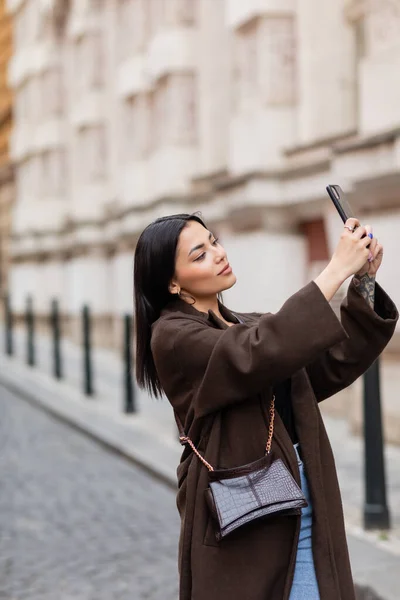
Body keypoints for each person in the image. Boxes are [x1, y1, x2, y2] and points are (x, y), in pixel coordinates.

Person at [133, 213, 398, 600]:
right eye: (200, 254)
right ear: (173, 282)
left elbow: (329, 363)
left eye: (214, 241)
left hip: (305, 504)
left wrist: (363, 281)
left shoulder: (247, 324)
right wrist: (336, 269)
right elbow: (253, 352)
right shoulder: (172, 337)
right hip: (248, 522)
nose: (219, 253)